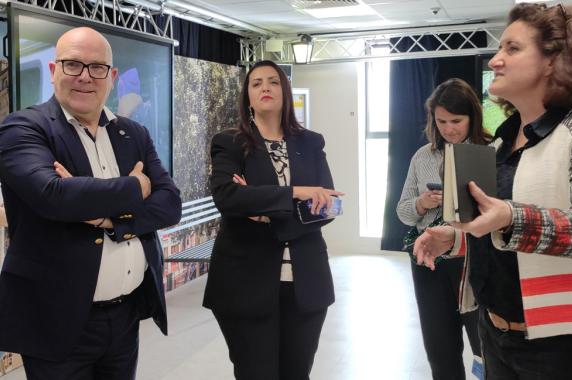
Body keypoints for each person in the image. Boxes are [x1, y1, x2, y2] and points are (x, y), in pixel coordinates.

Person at [414, 4, 572, 380]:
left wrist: (508, 215)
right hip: (499, 332)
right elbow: (498, 228)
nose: (494, 61)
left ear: (554, 61)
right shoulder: (502, 141)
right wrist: (455, 237)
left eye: (512, 49)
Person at [0, 27, 181, 380]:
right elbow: (54, 196)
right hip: (55, 322)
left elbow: (170, 203)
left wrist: (108, 220)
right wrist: (136, 186)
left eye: (97, 67)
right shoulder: (23, 128)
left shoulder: (132, 133)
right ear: (54, 71)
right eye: (72, 65)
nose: (85, 76)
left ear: (111, 77)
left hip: (125, 316)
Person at [203, 60, 342, 380]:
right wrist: (296, 194)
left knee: (297, 373)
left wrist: (263, 209)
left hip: (306, 283)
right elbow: (227, 198)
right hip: (245, 284)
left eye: (273, 82)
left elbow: (330, 205)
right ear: (248, 98)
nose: (265, 87)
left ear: (285, 91)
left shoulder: (311, 142)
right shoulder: (230, 142)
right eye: (256, 83)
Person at [396, 78, 489, 380]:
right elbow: (402, 212)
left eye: (456, 121)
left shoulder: (489, 152)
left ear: (472, 117)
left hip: (475, 260)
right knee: (440, 349)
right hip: (430, 264)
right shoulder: (422, 156)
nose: (449, 129)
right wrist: (422, 203)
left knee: (485, 348)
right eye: (441, 121)